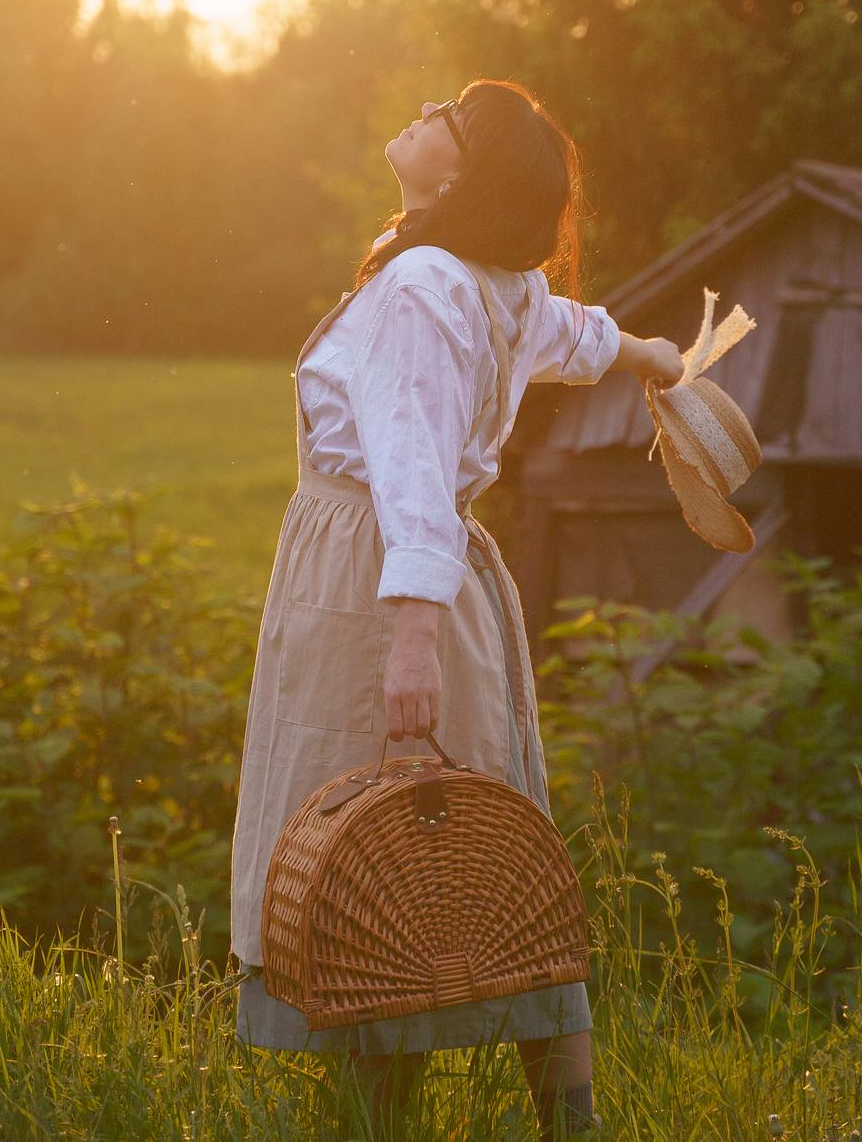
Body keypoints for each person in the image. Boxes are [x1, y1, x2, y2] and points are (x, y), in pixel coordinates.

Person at [228, 78, 685, 1138]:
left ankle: (393, 1118)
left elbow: (413, 463)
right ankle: (563, 1120)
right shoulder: (482, 280)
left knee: (374, 858)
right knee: (478, 853)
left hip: (377, 586)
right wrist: (651, 356)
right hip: (426, 579)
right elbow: (571, 332)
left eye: (452, 114)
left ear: (463, 173)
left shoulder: (423, 284)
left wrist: (411, 643)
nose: (427, 109)